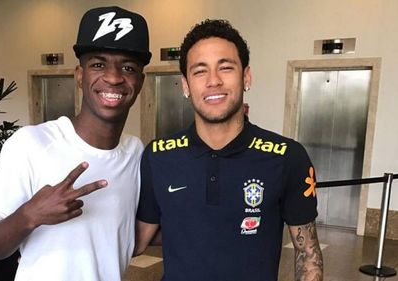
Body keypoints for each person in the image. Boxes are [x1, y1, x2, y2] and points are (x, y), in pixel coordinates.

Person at [135, 19, 323, 281]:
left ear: (246, 76)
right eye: (200, 71)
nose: (213, 81)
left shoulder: (287, 156)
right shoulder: (158, 156)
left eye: (225, 68)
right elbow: (136, 241)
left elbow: (308, 255)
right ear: (186, 85)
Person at [0, 6, 151, 281]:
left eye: (128, 67)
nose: (114, 77)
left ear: (140, 82)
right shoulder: (30, 144)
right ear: (80, 75)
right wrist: (30, 215)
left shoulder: (136, 153)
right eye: (98, 64)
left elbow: (133, 237)